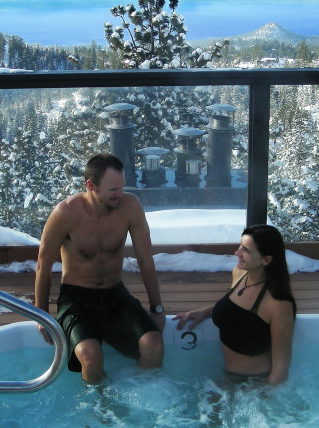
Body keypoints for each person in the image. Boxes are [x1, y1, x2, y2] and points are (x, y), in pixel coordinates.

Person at [35, 153, 165, 383]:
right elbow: (43, 266)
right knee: (92, 359)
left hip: (116, 295)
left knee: (153, 344)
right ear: (90, 185)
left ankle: (147, 400)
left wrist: (157, 308)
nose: (120, 194)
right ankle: (100, 411)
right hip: (77, 301)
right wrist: (42, 315)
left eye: (122, 187)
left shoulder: (130, 207)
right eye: (113, 189)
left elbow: (145, 259)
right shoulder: (66, 213)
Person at [174, 224, 296, 385]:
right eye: (240, 246)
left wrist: (265, 397)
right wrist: (207, 311)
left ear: (266, 260)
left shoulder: (278, 304)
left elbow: (281, 370)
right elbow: (237, 312)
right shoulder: (240, 274)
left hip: (253, 384)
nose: (237, 253)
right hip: (228, 377)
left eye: (246, 250)